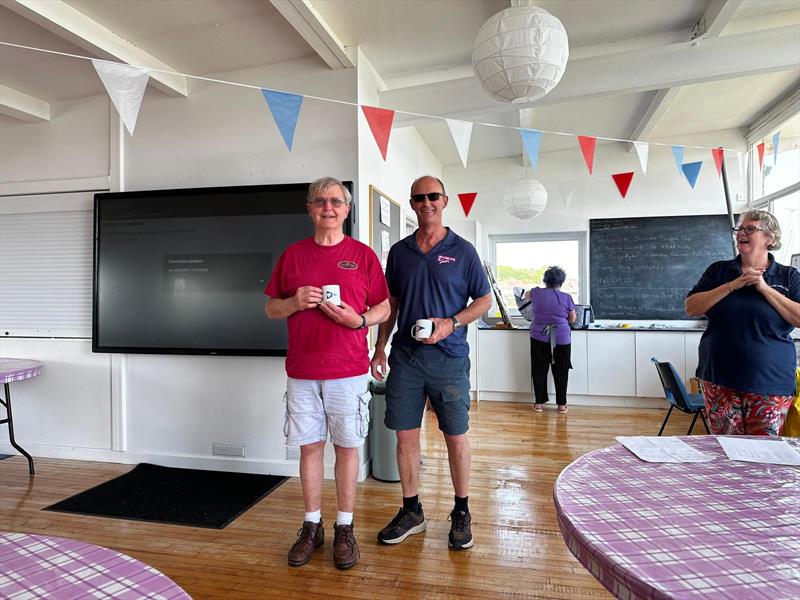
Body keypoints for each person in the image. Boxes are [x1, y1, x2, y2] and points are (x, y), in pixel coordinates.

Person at [264, 177, 390, 569]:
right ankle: (312, 525)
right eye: (320, 201)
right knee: (310, 448)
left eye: (335, 201)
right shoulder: (292, 256)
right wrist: (293, 301)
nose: (328, 207)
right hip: (302, 371)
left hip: (349, 370)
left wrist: (360, 320)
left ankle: (346, 527)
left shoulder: (363, 255)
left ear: (346, 210)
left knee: (348, 448)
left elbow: (385, 308)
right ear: (310, 208)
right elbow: (270, 309)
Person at [370, 175, 492, 551]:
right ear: (412, 204)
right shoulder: (400, 252)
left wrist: (451, 323)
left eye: (433, 196)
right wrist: (379, 347)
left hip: (449, 360)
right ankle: (412, 511)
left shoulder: (464, 250)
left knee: (455, 437)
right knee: (405, 435)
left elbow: (483, 301)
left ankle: (461, 510)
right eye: (419, 198)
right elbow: (391, 305)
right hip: (406, 358)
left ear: (445, 200)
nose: (427, 203)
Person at [685, 209, 800, 436]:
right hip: (719, 377)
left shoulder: (789, 276)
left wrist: (764, 288)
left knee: (763, 453)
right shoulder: (719, 271)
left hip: (771, 380)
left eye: (750, 229)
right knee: (725, 449)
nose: (741, 234)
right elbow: (691, 307)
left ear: (771, 238)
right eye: (740, 229)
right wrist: (732, 285)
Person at [529, 266, 577, 413]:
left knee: (539, 369)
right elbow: (572, 318)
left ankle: (539, 404)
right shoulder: (567, 297)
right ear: (561, 281)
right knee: (561, 370)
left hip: (538, 336)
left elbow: (523, 296)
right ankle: (562, 405)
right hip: (562, 338)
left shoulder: (535, 292)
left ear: (545, 280)